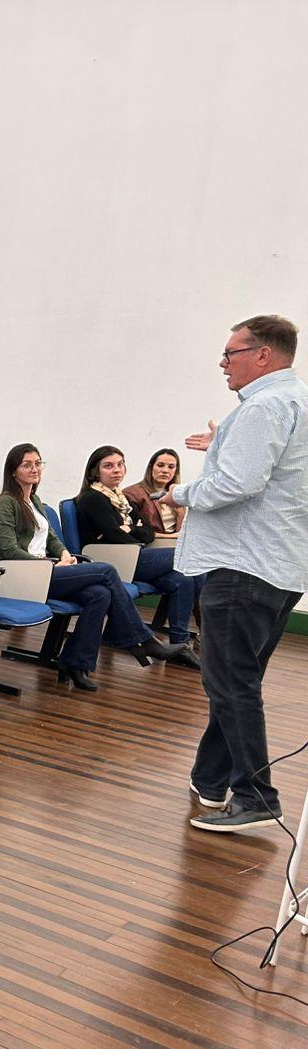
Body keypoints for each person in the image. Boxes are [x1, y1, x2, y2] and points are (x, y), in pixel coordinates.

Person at [177, 316, 308, 832]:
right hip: (279, 566)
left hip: (244, 565)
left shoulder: (264, 407)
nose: (223, 363)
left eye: (231, 353)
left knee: (231, 684)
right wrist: (223, 445)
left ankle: (257, 797)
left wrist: (177, 493)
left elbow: (237, 484)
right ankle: (211, 779)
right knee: (235, 680)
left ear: (263, 355)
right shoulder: (296, 401)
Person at [0, 443, 189, 691]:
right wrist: (50, 563)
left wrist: (63, 554)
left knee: (100, 594)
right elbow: (9, 550)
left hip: (48, 570)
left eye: (38, 463)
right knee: (106, 570)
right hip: (27, 575)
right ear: (13, 471)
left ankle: (74, 663)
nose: (35, 469)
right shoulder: (5, 502)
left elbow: (51, 538)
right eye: (27, 465)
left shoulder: (34, 500)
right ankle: (142, 640)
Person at [74, 445, 203, 653]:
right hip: (112, 560)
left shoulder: (120, 498)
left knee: (183, 579)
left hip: (133, 555)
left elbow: (148, 533)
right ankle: (203, 633)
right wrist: (132, 531)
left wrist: (130, 528)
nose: (117, 470)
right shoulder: (93, 498)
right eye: (108, 466)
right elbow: (118, 538)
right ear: (95, 472)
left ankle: (180, 643)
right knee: (189, 554)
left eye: (120, 464)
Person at [123, 448, 186, 539]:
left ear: (176, 471)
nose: (165, 470)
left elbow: (181, 531)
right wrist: (166, 536)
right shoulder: (132, 493)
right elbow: (133, 529)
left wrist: (180, 514)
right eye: (160, 465)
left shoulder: (177, 493)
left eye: (171, 467)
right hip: (149, 543)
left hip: (175, 543)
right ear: (151, 467)